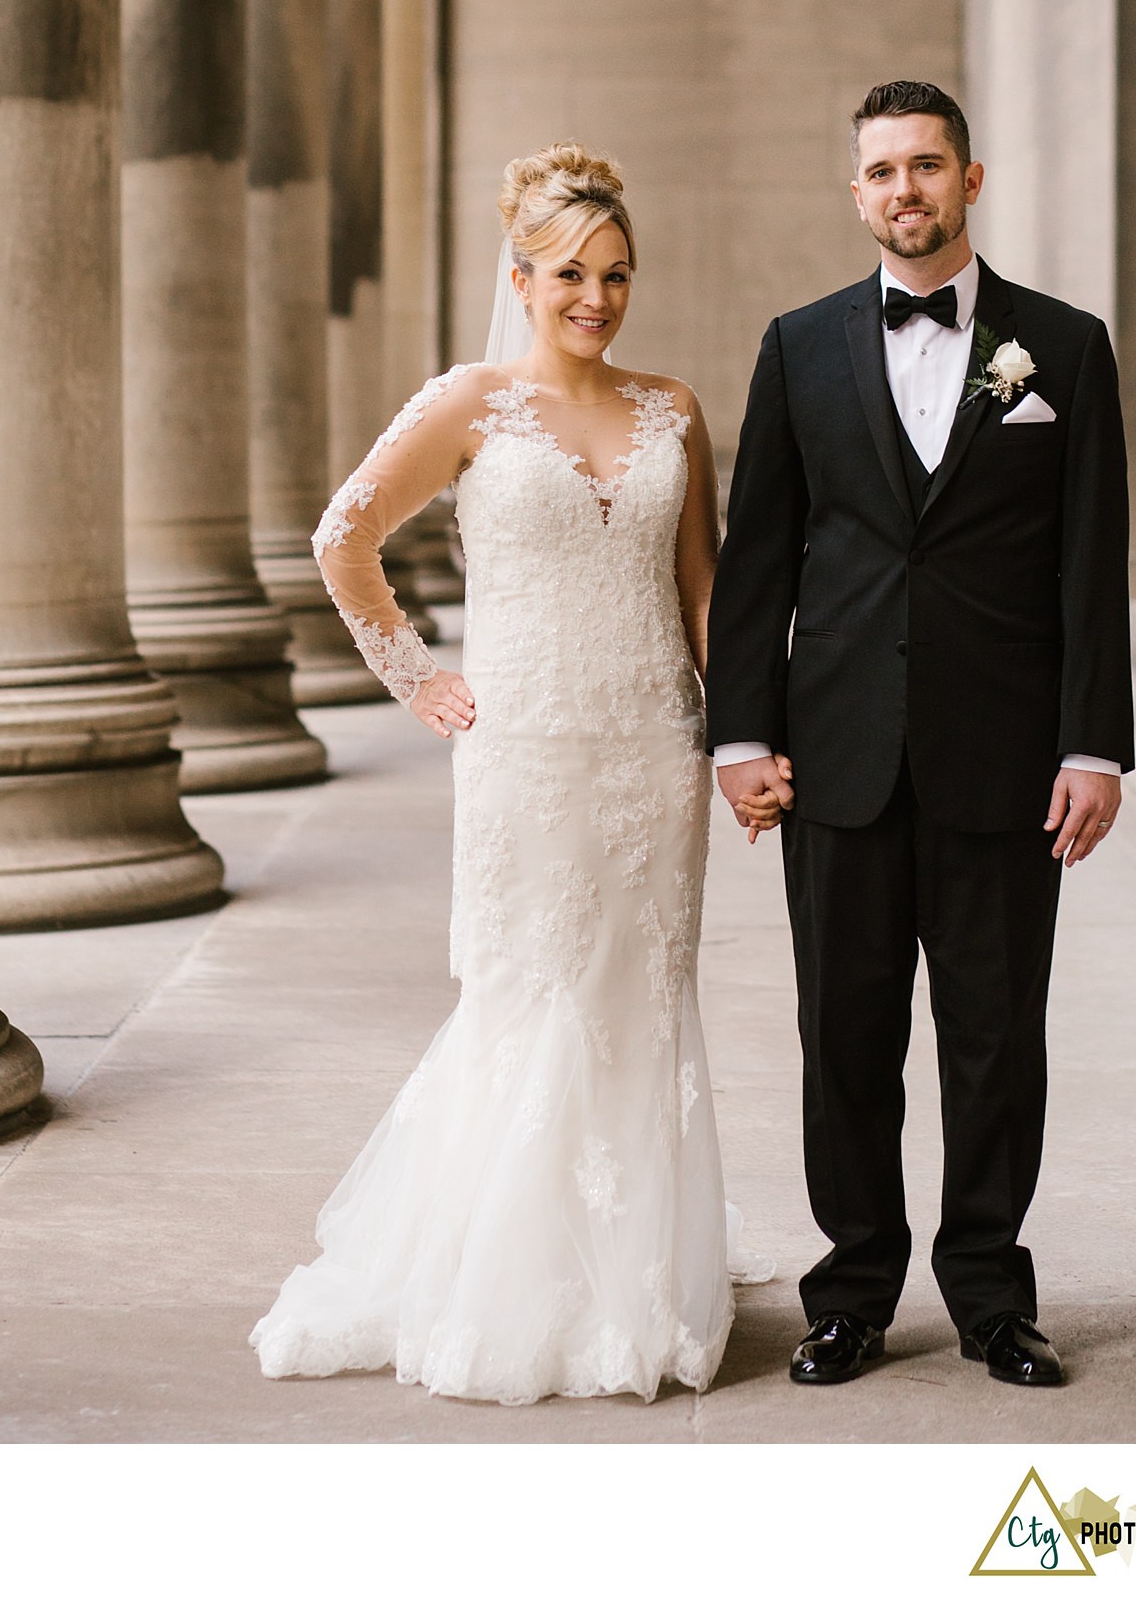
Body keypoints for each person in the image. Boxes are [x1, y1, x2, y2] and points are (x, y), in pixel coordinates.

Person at [249, 143, 771, 1406]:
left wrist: (742, 733)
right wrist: (416, 673)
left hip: (651, 744)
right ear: (524, 276)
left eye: (619, 274)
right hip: (526, 751)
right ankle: (509, 1280)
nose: (598, 297)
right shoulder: (471, 404)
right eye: (572, 274)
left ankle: (632, 1276)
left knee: (640, 1001)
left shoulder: (675, 411)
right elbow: (344, 535)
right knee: (533, 1000)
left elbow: (706, 588)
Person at [707, 80, 1133, 1391]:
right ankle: (849, 1291)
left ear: (970, 179)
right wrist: (738, 735)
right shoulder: (796, 345)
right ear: (856, 194)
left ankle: (993, 1295)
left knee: (996, 1035)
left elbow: (1087, 561)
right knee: (841, 1032)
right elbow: (758, 556)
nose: (906, 188)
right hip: (833, 753)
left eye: (927, 166)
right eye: (882, 170)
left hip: (1004, 761)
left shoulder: (1059, 350)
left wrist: (1092, 746)